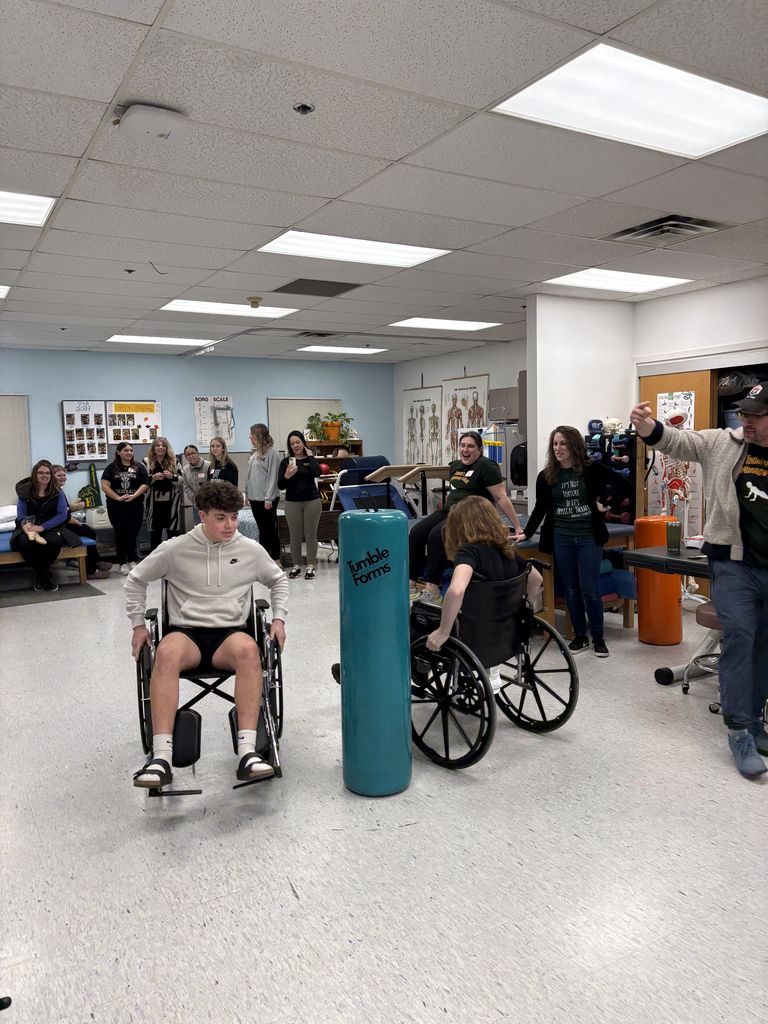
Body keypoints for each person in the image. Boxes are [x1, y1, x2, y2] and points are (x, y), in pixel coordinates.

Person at [631, 386, 768, 778]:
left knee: (764, 644)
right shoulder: (724, 443)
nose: (746, 422)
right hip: (733, 563)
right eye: (744, 414)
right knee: (741, 635)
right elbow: (679, 440)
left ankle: (756, 722)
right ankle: (739, 730)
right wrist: (648, 427)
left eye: (756, 416)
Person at [127, 481, 288, 788]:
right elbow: (135, 580)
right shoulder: (175, 549)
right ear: (202, 515)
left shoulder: (250, 550)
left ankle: (248, 753)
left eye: (233, 516)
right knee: (166, 653)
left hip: (230, 633)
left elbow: (278, 581)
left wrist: (278, 620)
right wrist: (138, 624)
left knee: (250, 651)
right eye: (220, 517)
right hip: (186, 633)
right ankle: (161, 757)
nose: (229, 525)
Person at [517, 425, 624, 659]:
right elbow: (540, 508)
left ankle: (598, 638)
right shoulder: (547, 476)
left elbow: (622, 485)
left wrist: (606, 504)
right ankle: (579, 636)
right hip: (562, 537)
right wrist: (527, 532)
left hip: (588, 536)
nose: (558, 448)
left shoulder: (591, 469)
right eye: (555, 444)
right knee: (571, 589)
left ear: (574, 445)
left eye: (563, 443)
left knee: (590, 589)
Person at [425, 496, 542, 691]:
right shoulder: (508, 551)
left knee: (420, 617)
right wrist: (522, 606)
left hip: (474, 631)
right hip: (505, 630)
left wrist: (443, 631)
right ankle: (492, 669)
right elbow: (537, 579)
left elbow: (456, 590)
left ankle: (420, 672)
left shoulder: (468, 553)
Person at [409, 430, 523, 606]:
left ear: (479, 449)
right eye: (462, 445)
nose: (465, 449)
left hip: (470, 516)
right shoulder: (455, 466)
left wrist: (517, 526)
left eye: (470, 446)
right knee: (416, 534)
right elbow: (457, 490)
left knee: (436, 536)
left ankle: (433, 590)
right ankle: (411, 586)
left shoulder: (487, 466)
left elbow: (501, 497)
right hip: (449, 511)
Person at [11, 460, 68, 591]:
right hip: (28, 527)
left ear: (51, 475)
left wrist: (43, 527)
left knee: (55, 541)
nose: (44, 475)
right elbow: (21, 513)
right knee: (24, 543)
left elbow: (62, 515)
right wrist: (29, 526)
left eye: (47, 473)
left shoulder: (57, 492)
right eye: (40, 472)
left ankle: (40, 574)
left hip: (50, 526)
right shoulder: (25, 491)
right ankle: (44, 575)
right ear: (34, 475)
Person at [51, 465, 112, 579]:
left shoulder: (60, 490)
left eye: (64, 475)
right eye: (59, 475)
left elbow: (64, 509)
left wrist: (71, 510)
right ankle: (90, 570)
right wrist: (71, 517)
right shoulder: (53, 491)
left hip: (63, 522)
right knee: (88, 532)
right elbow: (57, 513)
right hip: (58, 526)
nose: (63, 477)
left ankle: (96, 561)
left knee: (89, 530)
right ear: (52, 477)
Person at [277, 431, 321, 579]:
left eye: (297, 442)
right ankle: (296, 565)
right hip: (292, 502)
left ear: (303, 443)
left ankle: (311, 565)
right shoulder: (286, 462)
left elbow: (317, 473)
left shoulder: (310, 459)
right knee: (294, 536)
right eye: (292, 443)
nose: (295, 445)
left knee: (310, 535)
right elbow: (280, 485)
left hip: (312, 501)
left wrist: (311, 456)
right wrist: (286, 476)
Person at [101, 442, 149, 575]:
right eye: (126, 450)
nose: (129, 453)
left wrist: (134, 496)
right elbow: (104, 485)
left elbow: (145, 484)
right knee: (121, 533)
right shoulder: (111, 468)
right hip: (116, 506)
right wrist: (117, 497)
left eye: (131, 450)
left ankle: (132, 559)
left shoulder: (139, 466)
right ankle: (122, 562)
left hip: (135, 505)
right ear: (118, 452)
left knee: (133, 532)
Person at [245, 423, 281, 563]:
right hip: (255, 497)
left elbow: (273, 476)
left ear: (259, 435)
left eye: (252, 434)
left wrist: (269, 498)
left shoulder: (273, 453)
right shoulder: (254, 453)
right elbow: (249, 475)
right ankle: (264, 561)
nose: (249, 436)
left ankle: (276, 559)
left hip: (267, 499)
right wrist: (247, 493)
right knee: (262, 530)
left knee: (270, 530)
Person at [144, 436, 182, 551]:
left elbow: (182, 480)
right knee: (155, 533)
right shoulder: (147, 461)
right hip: (153, 504)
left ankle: (173, 557)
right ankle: (155, 560)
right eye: (158, 445)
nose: (161, 447)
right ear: (153, 448)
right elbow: (142, 481)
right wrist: (153, 477)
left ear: (166, 448)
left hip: (171, 504)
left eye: (163, 445)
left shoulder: (174, 461)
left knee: (173, 533)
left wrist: (173, 477)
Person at [180, 444, 209, 530]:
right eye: (188, 455)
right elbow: (186, 486)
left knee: (210, 526)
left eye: (193, 453)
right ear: (185, 457)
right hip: (196, 502)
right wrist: (194, 498)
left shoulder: (209, 466)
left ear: (198, 453)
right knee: (199, 526)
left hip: (210, 502)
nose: (191, 456)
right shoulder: (185, 470)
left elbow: (213, 484)